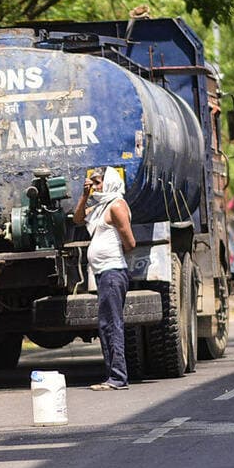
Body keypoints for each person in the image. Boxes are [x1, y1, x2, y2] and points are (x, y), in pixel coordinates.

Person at [73, 167, 136, 391]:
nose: (95, 187)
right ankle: (112, 375)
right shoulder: (100, 206)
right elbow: (78, 219)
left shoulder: (116, 205)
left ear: (109, 183)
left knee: (113, 324)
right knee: (105, 324)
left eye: (98, 183)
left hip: (112, 272)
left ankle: (118, 377)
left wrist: (111, 255)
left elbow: (130, 243)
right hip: (102, 273)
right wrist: (84, 195)